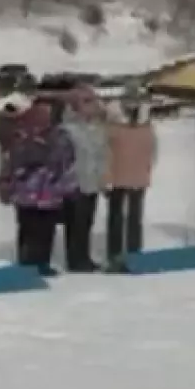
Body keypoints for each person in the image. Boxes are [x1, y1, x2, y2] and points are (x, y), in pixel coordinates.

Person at [0, 101, 75, 274]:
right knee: (28, 227)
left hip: (49, 191)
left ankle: (42, 262)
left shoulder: (59, 135)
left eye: (47, 114)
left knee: (46, 228)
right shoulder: (20, 135)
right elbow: (12, 157)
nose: (43, 119)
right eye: (40, 114)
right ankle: (26, 263)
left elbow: (66, 158)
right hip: (26, 190)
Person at [58, 85, 108, 272]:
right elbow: (62, 159)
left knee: (87, 222)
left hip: (92, 181)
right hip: (75, 183)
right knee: (75, 223)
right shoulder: (67, 130)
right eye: (87, 101)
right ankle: (75, 260)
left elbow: (102, 154)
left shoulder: (97, 128)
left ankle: (83, 256)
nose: (92, 105)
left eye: (93, 100)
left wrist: (103, 178)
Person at [103, 93, 156, 260]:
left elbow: (153, 148)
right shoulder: (112, 123)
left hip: (138, 175)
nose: (132, 105)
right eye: (129, 101)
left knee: (135, 216)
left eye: (135, 101)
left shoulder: (146, 123)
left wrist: (148, 167)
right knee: (116, 216)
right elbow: (104, 150)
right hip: (116, 175)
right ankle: (114, 253)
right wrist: (105, 176)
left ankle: (134, 252)